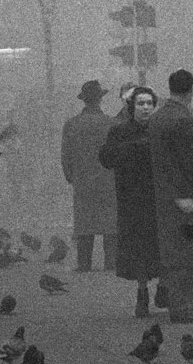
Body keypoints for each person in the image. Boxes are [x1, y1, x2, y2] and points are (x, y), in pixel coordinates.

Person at [150, 68, 193, 324]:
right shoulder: (181, 120)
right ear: (190, 90)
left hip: (164, 193)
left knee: (176, 251)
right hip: (186, 195)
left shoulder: (158, 118)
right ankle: (187, 307)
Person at [97, 84, 160, 316]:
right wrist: (132, 149)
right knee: (140, 250)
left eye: (149, 104)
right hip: (132, 199)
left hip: (157, 197)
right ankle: (142, 293)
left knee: (161, 245)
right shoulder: (120, 131)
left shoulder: (160, 130)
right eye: (141, 103)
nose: (145, 108)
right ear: (132, 106)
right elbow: (106, 157)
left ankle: (163, 287)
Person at [60, 80, 118, 272]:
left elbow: (66, 156)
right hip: (108, 180)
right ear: (100, 99)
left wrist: (71, 176)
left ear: (84, 100)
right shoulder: (111, 124)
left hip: (83, 181)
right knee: (110, 223)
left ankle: (84, 263)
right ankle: (111, 262)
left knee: (84, 223)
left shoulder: (72, 125)